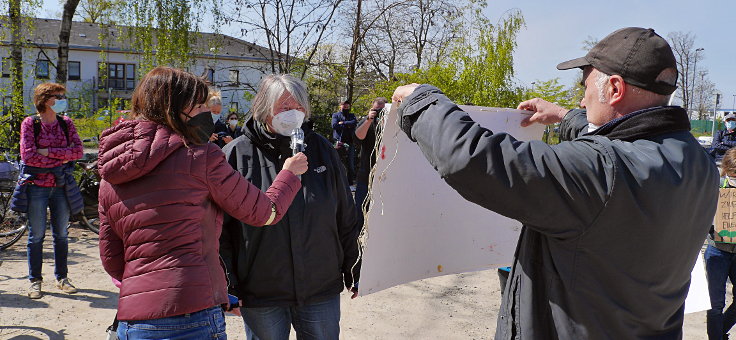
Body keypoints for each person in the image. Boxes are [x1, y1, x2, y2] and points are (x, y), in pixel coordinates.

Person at [391, 27, 718, 339]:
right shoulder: (696, 161)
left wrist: (423, 101)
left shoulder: (601, 171)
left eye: (585, 86)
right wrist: (565, 116)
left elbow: (474, 160)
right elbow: (625, 137)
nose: (582, 99)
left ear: (615, 89)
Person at [97, 67, 307, 340]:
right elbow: (265, 212)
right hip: (190, 313)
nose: (205, 113)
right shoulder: (200, 157)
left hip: (133, 320)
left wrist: (146, 287)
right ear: (175, 109)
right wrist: (289, 174)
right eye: (198, 105)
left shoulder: (110, 175)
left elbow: (112, 259)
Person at [220, 74, 361, 340]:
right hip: (262, 291)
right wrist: (228, 285)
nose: (293, 114)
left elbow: (345, 215)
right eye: (284, 108)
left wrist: (354, 268)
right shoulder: (237, 155)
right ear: (264, 108)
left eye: (298, 107)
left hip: (319, 286)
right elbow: (221, 231)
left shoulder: (321, 149)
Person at [18, 82, 83, 299]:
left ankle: (62, 278)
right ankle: (35, 281)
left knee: (61, 235)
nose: (63, 100)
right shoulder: (30, 123)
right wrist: (60, 157)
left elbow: (78, 152)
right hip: (37, 187)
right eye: (59, 96)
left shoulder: (66, 123)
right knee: (36, 236)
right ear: (46, 100)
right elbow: (28, 157)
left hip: (61, 187)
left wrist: (48, 152)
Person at [706, 147, 736, 340]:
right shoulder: (716, 187)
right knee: (715, 304)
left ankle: (720, 331)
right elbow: (700, 215)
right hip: (718, 251)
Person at [353, 97, 386, 215]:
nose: (378, 113)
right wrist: (369, 120)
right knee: (361, 207)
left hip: (385, 174)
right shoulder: (366, 121)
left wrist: (385, 120)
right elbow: (358, 137)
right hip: (366, 172)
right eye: (375, 110)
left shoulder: (391, 123)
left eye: (381, 111)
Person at [331, 100, 357, 185]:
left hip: (350, 142)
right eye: (344, 106)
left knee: (350, 164)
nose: (345, 108)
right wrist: (347, 125)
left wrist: (343, 123)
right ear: (340, 106)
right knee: (338, 162)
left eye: (347, 107)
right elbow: (334, 125)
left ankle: (350, 183)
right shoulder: (336, 115)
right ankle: (338, 182)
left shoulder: (351, 115)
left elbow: (354, 123)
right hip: (339, 142)